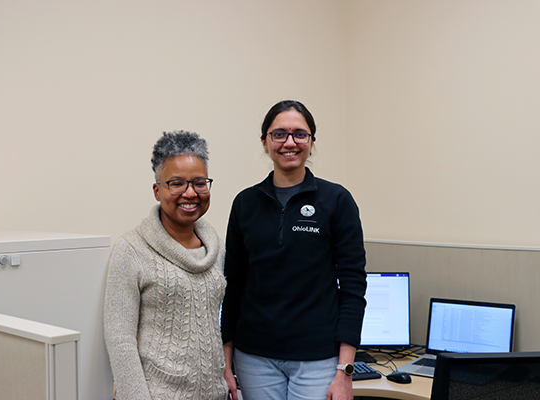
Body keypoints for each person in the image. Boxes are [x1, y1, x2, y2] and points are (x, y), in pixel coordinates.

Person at [220, 100, 367, 400]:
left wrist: (345, 371)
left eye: (300, 134)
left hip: (318, 359)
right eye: (279, 134)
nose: (290, 142)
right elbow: (232, 286)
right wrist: (225, 361)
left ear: (311, 143)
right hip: (254, 357)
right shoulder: (245, 204)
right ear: (264, 142)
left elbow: (352, 288)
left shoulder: (336, 200)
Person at [104, 130, 228, 400]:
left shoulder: (216, 247)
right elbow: (120, 340)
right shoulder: (130, 250)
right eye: (177, 184)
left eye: (199, 183)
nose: (190, 193)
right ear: (157, 190)